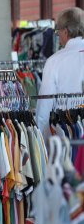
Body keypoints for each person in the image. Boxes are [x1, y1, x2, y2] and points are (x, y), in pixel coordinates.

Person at [36, 7, 84, 141]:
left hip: (68, 135)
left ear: (66, 31)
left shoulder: (54, 61)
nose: (59, 37)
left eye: (58, 32)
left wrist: (42, 143)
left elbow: (44, 109)